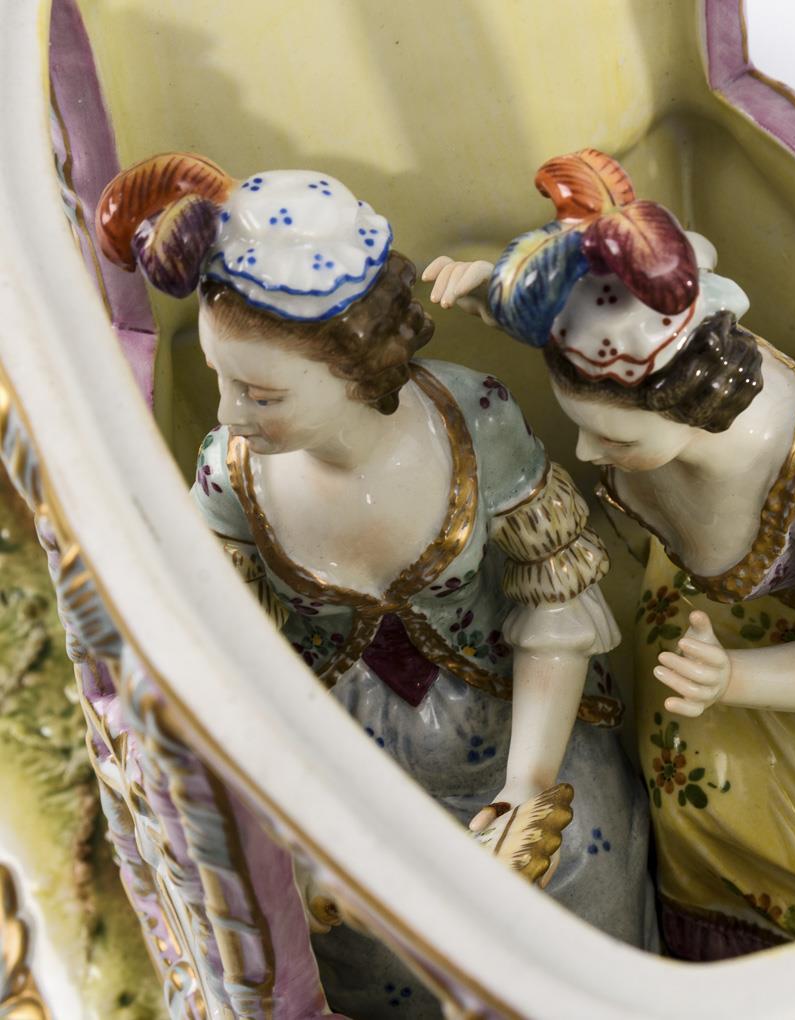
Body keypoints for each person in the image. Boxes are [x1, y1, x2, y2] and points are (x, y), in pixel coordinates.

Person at [97, 152, 655, 1016]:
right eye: (219, 380)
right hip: (339, 759)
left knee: (577, 871)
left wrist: (527, 787)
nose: (230, 415)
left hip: (512, 723)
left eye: (260, 394)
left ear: (355, 361)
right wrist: (300, 826)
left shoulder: (472, 421)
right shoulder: (232, 474)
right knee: (365, 932)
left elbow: (554, 601)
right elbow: (230, 665)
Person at [427, 147, 795, 960]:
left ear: (688, 403)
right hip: (729, 606)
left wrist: (734, 680)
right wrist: (485, 288)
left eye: (613, 438)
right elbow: (573, 308)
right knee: (683, 773)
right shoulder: (642, 357)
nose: (588, 452)